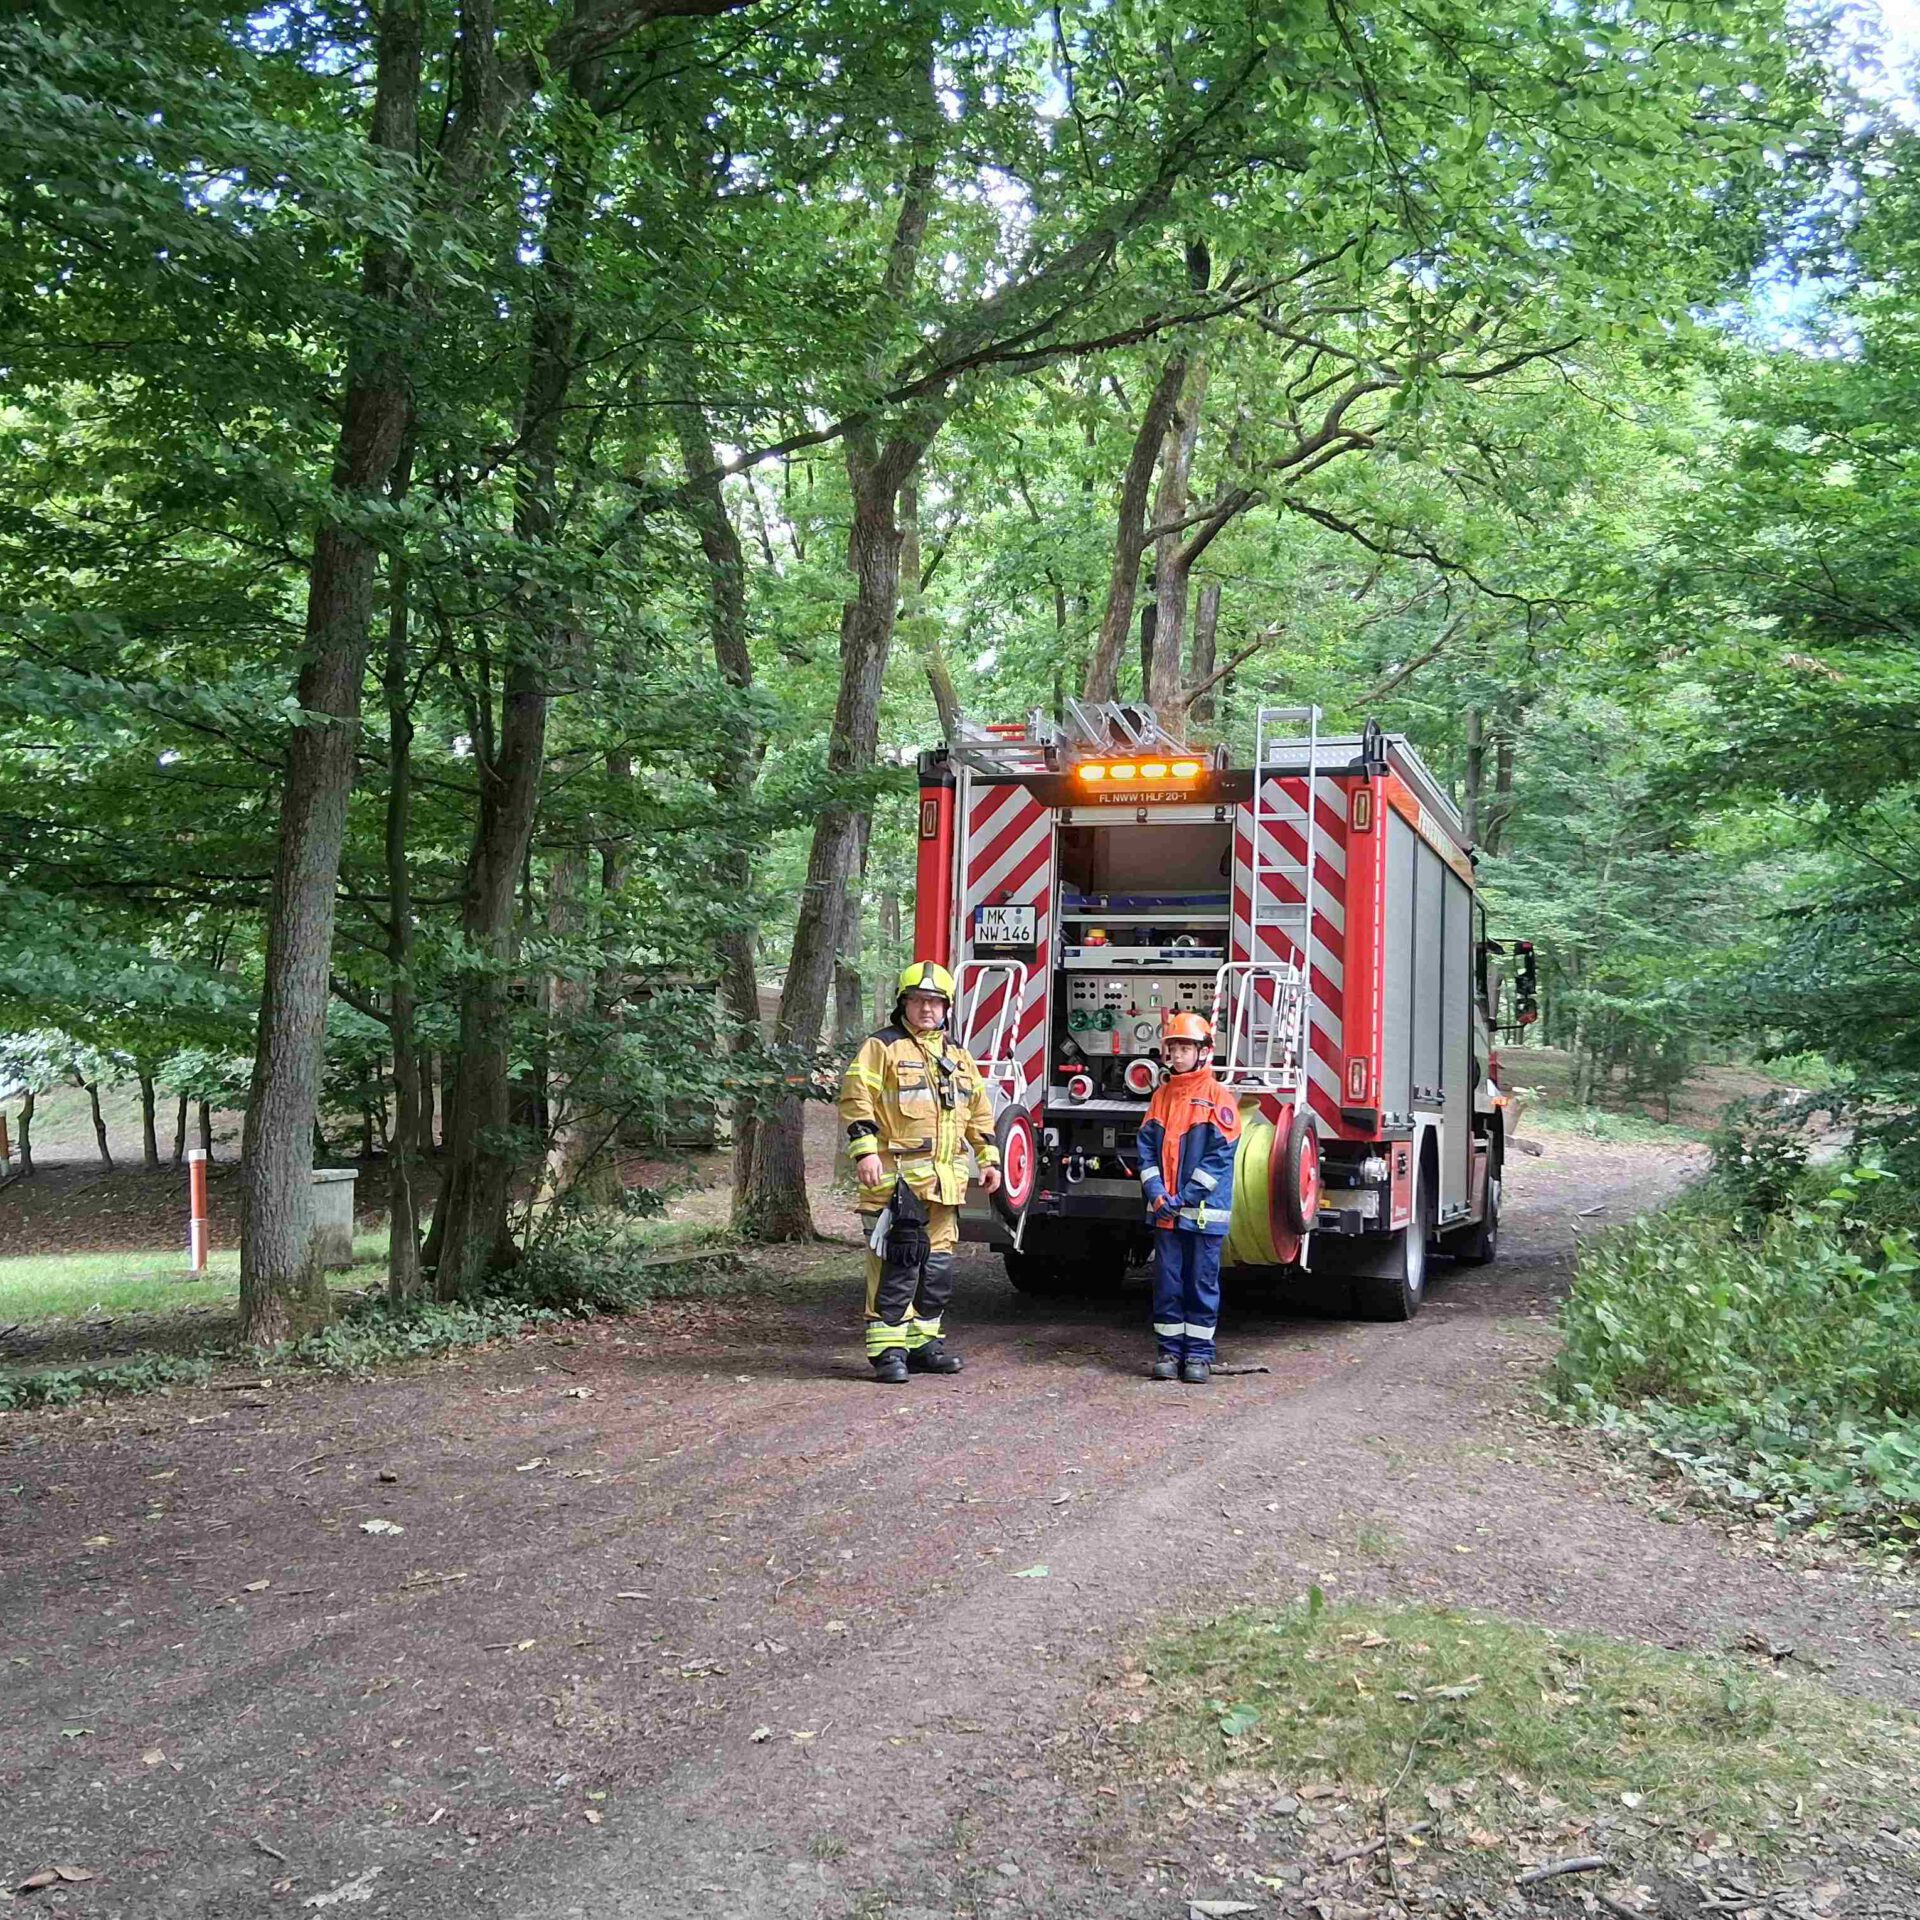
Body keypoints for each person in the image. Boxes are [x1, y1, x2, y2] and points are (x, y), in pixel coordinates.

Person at [838, 960, 1003, 1385]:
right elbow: (856, 1100)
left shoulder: (957, 1056)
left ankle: (923, 1345)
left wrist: (988, 1159)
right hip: (896, 1184)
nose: (927, 1008)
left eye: (935, 1001)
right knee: (896, 1266)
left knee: (937, 1270)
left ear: (946, 1007)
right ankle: (888, 1351)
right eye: (918, 1000)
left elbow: (978, 1113)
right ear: (904, 1004)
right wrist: (865, 1153)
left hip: (944, 1185)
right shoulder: (882, 1047)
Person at [1136, 1011, 1240, 1384]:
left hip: (1201, 1214)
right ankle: (1168, 1352)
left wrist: (1183, 1197)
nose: (1178, 1056)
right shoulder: (1161, 1096)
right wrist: (1157, 1194)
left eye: (1185, 1048)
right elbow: (1146, 1151)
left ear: (1203, 1052)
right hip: (1166, 1212)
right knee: (1167, 1283)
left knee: (1201, 1283)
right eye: (1174, 1048)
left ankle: (1199, 1355)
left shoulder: (1218, 1097)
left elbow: (1219, 1157)